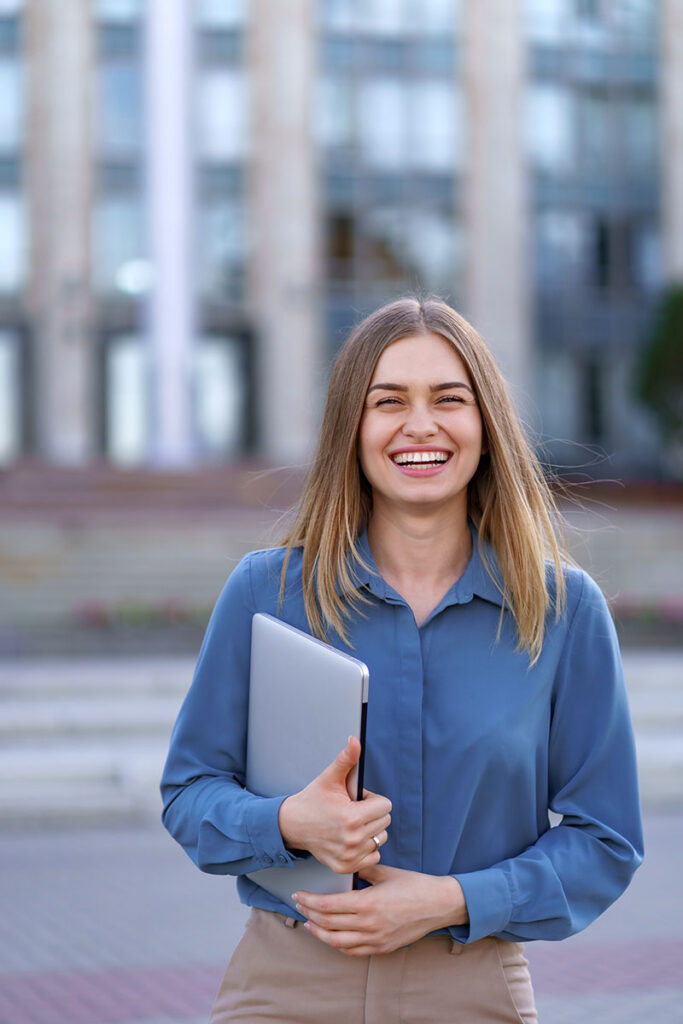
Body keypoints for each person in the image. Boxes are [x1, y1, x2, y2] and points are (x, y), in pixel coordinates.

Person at [161, 298, 643, 1023]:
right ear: (351, 430)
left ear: (485, 426)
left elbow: (605, 840)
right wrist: (291, 822)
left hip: (470, 987)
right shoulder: (266, 593)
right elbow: (189, 793)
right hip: (284, 986)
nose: (420, 424)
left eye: (449, 399)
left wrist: (450, 900)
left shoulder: (563, 611)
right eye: (388, 401)